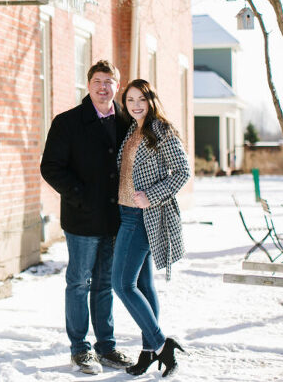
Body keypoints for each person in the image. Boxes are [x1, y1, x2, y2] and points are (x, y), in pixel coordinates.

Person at [40, 60, 133, 375]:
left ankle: (106, 347)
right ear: (88, 84)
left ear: (117, 86)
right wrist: (79, 195)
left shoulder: (127, 122)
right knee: (79, 282)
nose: (103, 87)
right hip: (81, 219)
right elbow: (51, 168)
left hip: (115, 219)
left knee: (105, 283)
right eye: (97, 81)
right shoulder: (68, 122)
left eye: (109, 81)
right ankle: (80, 349)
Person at [112, 79, 190, 378]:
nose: (135, 105)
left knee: (122, 284)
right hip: (125, 213)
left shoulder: (161, 130)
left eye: (141, 99)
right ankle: (148, 352)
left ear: (151, 100)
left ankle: (161, 344)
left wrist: (152, 195)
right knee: (143, 287)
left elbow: (182, 172)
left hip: (142, 217)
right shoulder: (133, 129)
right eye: (130, 100)